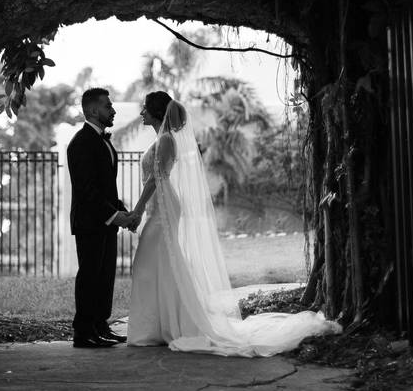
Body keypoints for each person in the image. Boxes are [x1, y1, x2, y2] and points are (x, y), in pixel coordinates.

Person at [126, 91, 341, 357]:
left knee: (151, 260)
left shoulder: (167, 140)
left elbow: (156, 179)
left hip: (163, 207)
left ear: (157, 111)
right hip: (157, 205)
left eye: (145, 108)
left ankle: (171, 323)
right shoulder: (161, 139)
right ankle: (158, 324)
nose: (141, 113)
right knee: (158, 263)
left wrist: (136, 211)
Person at [66, 87, 140, 348]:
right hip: (89, 222)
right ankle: (83, 332)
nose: (113, 110)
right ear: (93, 110)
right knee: (89, 276)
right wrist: (113, 215)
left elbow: (107, 187)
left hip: (106, 221)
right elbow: (87, 191)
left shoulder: (103, 141)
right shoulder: (81, 143)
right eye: (108, 106)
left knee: (105, 275)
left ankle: (100, 325)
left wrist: (122, 211)